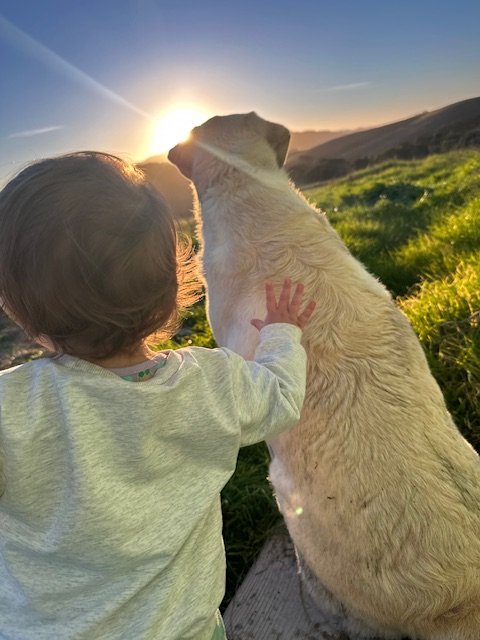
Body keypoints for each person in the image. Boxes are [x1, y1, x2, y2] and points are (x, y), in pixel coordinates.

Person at [0, 152, 315, 640]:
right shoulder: (214, 384)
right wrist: (280, 334)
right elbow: (280, 396)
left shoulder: (12, 409)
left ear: (24, 314)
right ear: (173, 286)